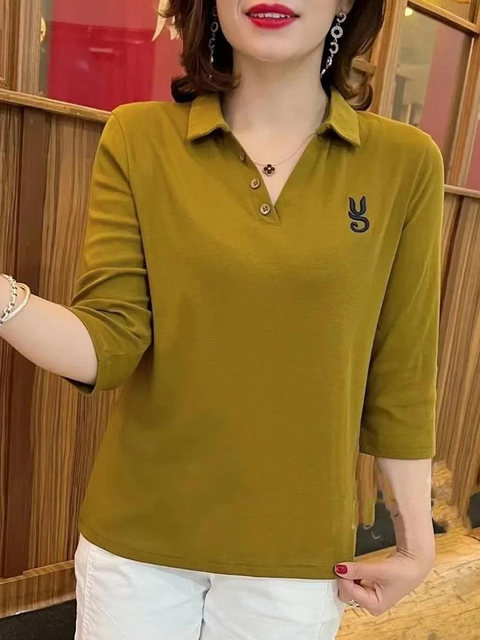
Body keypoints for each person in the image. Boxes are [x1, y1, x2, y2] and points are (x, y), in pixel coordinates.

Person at [0, 0, 445, 638]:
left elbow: (401, 370)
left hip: (295, 556)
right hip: (138, 549)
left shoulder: (405, 162)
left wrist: (416, 542)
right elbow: (107, 341)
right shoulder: (138, 137)